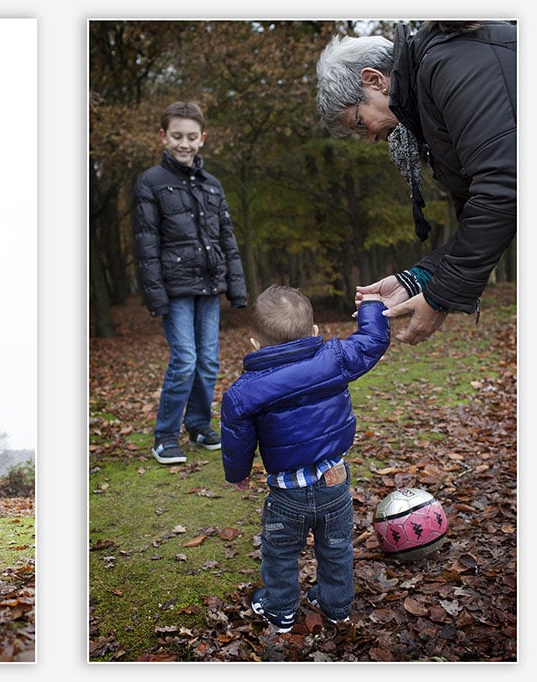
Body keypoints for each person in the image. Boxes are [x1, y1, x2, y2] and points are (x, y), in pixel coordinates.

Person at [316, 21, 516, 346]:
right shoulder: (428, 109)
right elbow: (479, 214)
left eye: (359, 123)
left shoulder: (449, 65)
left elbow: (504, 187)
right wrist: (416, 279)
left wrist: (439, 297)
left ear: (375, 80)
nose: (370, 138)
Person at [220, 285, 390, 632]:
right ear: (314, 331)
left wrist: (238, 473)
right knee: (336, 548)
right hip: (335, 485)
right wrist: (371, 306)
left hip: (287, 495)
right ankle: (336, 606)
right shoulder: (334, 359)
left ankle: (280, 610)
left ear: (255, 345)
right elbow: (372, 342)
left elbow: (237, 439)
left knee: (280, 553)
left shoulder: (244, 391)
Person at [132, 101, 247, 465]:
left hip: (209, 285)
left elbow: (226, 236)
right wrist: (155, 295)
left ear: (202, 139)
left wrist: (236, 287)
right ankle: (165, 436)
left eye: (192, 137)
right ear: (163, 137)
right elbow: (146, 243)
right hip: (175, 288)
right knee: (184, 360)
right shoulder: (151, 182)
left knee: (209, 361)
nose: (185, 143)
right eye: (177, 136)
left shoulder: (212, 186)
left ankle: (198, 425)